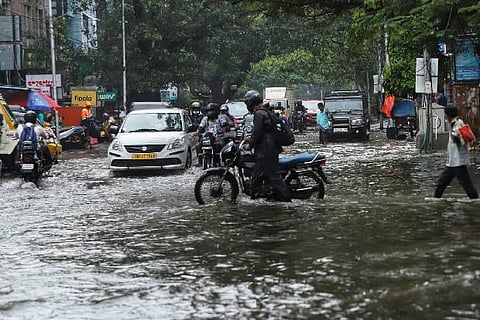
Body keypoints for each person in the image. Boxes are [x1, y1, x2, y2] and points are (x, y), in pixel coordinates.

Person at [244, 90, 291, 202]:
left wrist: (249, 144)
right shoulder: (265, 112)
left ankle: (287, 201)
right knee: (257, 176)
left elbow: (258, 134)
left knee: (274, 178)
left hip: (267, 151)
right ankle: (256, 199)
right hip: (268, 150)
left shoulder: (259, 113)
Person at [434, 106, 478, 199]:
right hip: (452, 162)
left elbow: (456, 139)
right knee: (441, 183)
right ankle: (436, 198)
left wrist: (450, 128)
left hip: (458, 162)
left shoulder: (458, 123)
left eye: (445, 114)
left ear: (448, 114)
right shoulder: (454, 123)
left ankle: (475, 199)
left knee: (466, 184)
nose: (445, 116)